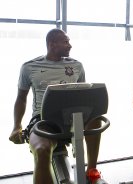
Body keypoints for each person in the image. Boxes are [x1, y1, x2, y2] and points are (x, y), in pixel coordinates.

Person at [9, 28, 104, 184]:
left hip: (73, 117)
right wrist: (16, 126)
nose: (70, 45)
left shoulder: (77, 65)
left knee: (95, 118)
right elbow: (21, 98)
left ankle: (91, 170)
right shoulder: (29, 67)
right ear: (52, 44)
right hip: (43, 121)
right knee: (41, 150)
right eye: (66, 42)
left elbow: (83, 95)